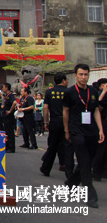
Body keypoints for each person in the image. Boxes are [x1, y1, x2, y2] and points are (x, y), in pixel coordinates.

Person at [63, 63, 104, 208]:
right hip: (76, 131)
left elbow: (96, 110)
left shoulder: (93, 91)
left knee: (87, 161)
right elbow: (66, 111)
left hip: (91, 131)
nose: (83, 77)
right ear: (75, 76)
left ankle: (71, 183)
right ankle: (90, 195)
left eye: (86, 74)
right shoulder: (70, 92)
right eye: (81, 74)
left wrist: (100, 130)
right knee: (85, 162)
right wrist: (67, 130)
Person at [40, 72, 74, 179]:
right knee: (67, 145)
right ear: (63, 80)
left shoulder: (49, 92)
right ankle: (67, 168)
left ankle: (46, 168)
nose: (67, 81)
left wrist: (46, 122)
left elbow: (45, 108)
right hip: (67, 121)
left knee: (52, 146)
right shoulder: (69, 92)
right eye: (67, 79)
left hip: (55, 121)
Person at [92, 78, 107, 181]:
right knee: (102, 148)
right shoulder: (103, 93)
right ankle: (97, 172)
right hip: (104, 122)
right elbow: (98, 108)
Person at [1, 82, 17, 153]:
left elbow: (14, 102)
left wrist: (10, 111)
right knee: (7, 132)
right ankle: (7, 146)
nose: (3, 89)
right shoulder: (6, 96)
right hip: (6, 117)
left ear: (7, 88)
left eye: (3, 87)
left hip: (9, 117)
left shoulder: (11, 95)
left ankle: (11, 147)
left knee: (10, 132)